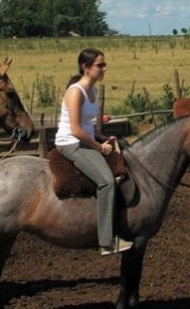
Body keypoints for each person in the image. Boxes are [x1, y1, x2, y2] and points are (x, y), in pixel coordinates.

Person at [54, 48, 132, 255]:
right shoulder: (75, 92)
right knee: (106, 181)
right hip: (71, 143)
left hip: (86, 139)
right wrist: (100, 147)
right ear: (85, 67)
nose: (104, 69)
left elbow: (90, 125)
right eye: (100, 65)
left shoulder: (93, 91)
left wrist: (104, 137)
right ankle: (106, 242)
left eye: (104, 65)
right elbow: (76, 130)